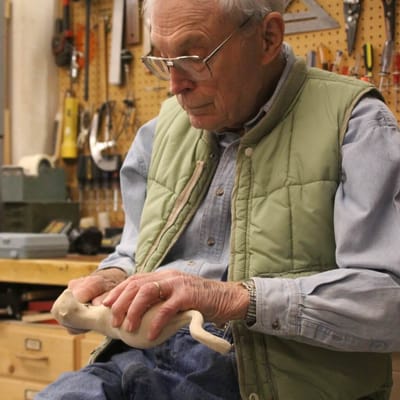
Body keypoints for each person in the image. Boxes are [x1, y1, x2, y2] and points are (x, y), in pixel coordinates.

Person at [36, 0, 400, 399]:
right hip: (140, 359)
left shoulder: (357, 125)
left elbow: (389, 300)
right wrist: (110, 279)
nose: (175, 86)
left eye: (193, 58)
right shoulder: (159, 133)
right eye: (162, 59)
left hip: (260, 380)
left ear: (268, 38)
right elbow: (134, 254)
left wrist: (231, 299)